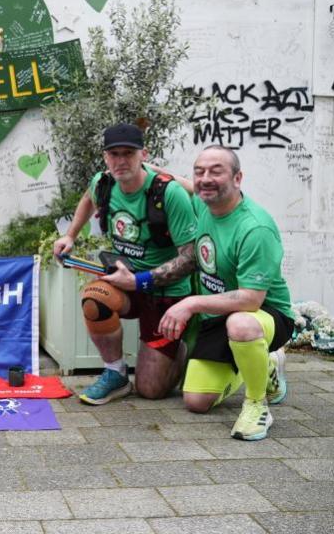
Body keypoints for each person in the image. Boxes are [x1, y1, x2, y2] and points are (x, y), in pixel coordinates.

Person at [53, 123, 198, 405]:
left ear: (144, 154)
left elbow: (190, 258)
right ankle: (116, 374)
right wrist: (69, 235)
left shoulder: (169, 194)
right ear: (106, 157)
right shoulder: (103, 183)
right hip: (126, 281)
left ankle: (179, 350)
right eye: (114, 154)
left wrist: (139, 281)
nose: (120, 161)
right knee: (94, 299)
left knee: (151, 391)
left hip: (166, 291)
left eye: (128, 153)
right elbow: (88, 198)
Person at [158, 146, 292, 441]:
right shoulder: (205, 202)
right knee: (195, 401)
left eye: (216, 171)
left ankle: (258, 404)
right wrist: (148, 169)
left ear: (237, 178)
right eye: (200, 171)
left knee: (241, 324)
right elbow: (191, 186)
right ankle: (262, 364)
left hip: (265, 314)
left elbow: (250, 299)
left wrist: (190, 303)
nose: (206, 179)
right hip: (219, 314)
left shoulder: (255, 227)